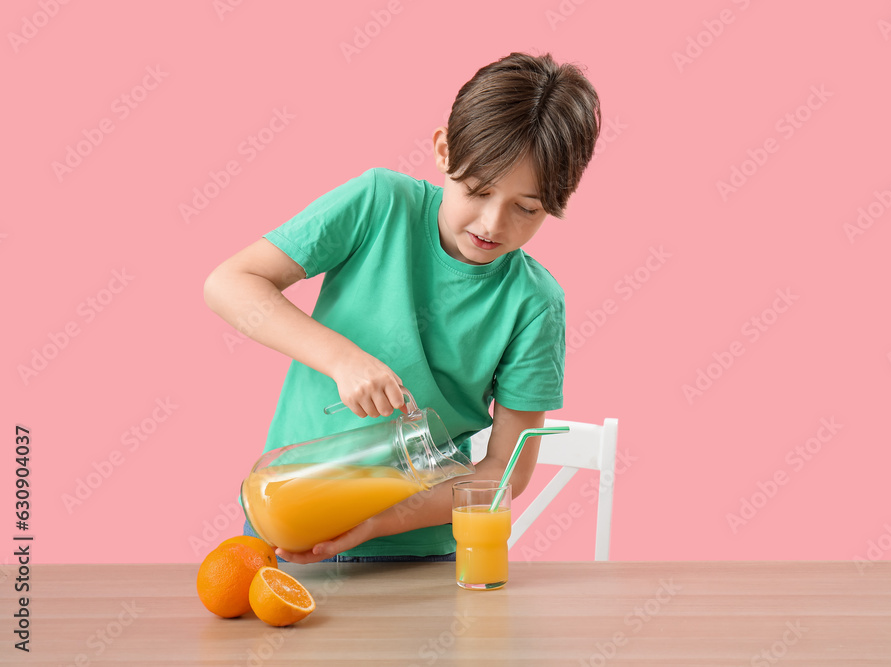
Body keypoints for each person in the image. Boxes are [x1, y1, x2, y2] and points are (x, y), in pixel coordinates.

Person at [203, 51, 601, 563]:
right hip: (287, 512)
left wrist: (377, 523)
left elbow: (505, 472)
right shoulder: (379, 205)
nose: (492, 224)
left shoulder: (535, 303)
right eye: (476, 190)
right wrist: (341, 359)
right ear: (443, 150)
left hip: (419, 552)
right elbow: (230, 283)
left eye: (526, 208)